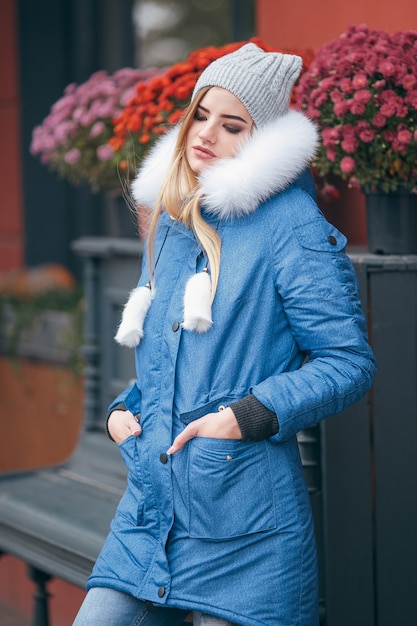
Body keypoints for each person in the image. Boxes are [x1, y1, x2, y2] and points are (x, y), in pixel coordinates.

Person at [73, 43, 376, 626]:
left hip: (248, 528)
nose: (207, 133)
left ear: (259, 139)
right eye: (202, 114)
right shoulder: (171, 220)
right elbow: (164, 356)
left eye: (232, 124)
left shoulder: (292, 227)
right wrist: (121, 409)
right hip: (151, 515)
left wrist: (250, 414)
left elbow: (348, 362)